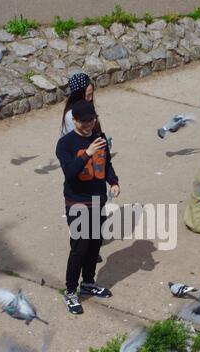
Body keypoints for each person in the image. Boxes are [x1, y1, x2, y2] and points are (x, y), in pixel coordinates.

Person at [56, 100, 120, 315]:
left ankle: (89, 283)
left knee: (94, 244)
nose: (90, 124)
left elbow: (107, 165)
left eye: (92, 119)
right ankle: (71, 290)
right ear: (74, 121)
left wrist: (113, 182)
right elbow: (70, 172)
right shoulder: (65, 144)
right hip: (77, 202)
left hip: (98, 200)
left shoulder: (99, 138)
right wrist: (87, 153)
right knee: (80, 247)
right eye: (85, 120)